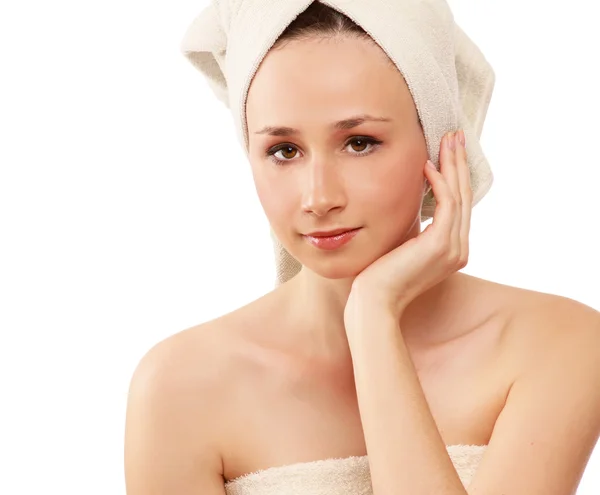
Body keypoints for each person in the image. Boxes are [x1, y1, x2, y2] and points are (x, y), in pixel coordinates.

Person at [124, 2, 600, 494]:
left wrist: (373, 317)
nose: (319, 198)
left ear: (437, 144)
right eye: (284, 151)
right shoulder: (182, 385)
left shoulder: (557, 344)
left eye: (359, 143)